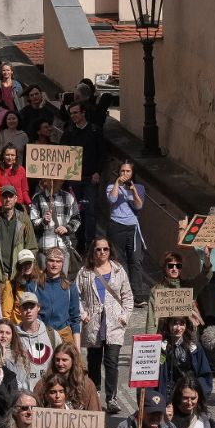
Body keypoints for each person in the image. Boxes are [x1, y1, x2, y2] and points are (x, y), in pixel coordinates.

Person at [77, 236, 132, 414]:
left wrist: (124, 316)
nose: (102, 252)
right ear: (93, 251)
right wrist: (82, 313)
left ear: (110, 251)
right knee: (93, 362)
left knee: (112, 362)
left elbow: (127, 296)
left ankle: (112, 398)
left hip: (113, 323)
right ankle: (94, 396)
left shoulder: (118, 270)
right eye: (98, 249)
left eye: (105, 249)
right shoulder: (85, 272)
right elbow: (76, 295)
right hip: (93, 323)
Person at [103, 160, 150, 301]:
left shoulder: (140, 187)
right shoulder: (111, 186)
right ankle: (119, 293)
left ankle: (137, 294)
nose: (125, 174)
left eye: (127, 171)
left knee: (135, 261)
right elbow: (112, 199)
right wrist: (117, 183)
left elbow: (139, 206)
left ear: (132, 173)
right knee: (117, 261)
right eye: (122, 171)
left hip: (132, 227)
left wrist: (133, 190)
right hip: (116, 225)